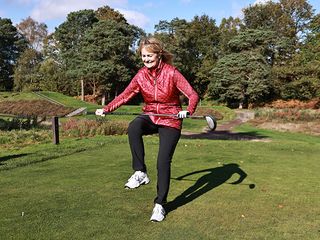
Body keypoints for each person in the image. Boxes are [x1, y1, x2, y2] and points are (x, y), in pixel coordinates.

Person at [95, 37, 199, 222]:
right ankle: (140, 172)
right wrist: (106, 108)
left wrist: (188, 110)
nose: (146, 59)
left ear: (159, 55)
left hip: (171, 119)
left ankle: (160, 205)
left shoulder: (172, 73)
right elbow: (126, 95)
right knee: (134, 126)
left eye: (149, 55)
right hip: (150, 115)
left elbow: (192, 94)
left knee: (162, 162)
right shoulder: (141, 75)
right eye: (143, 56)